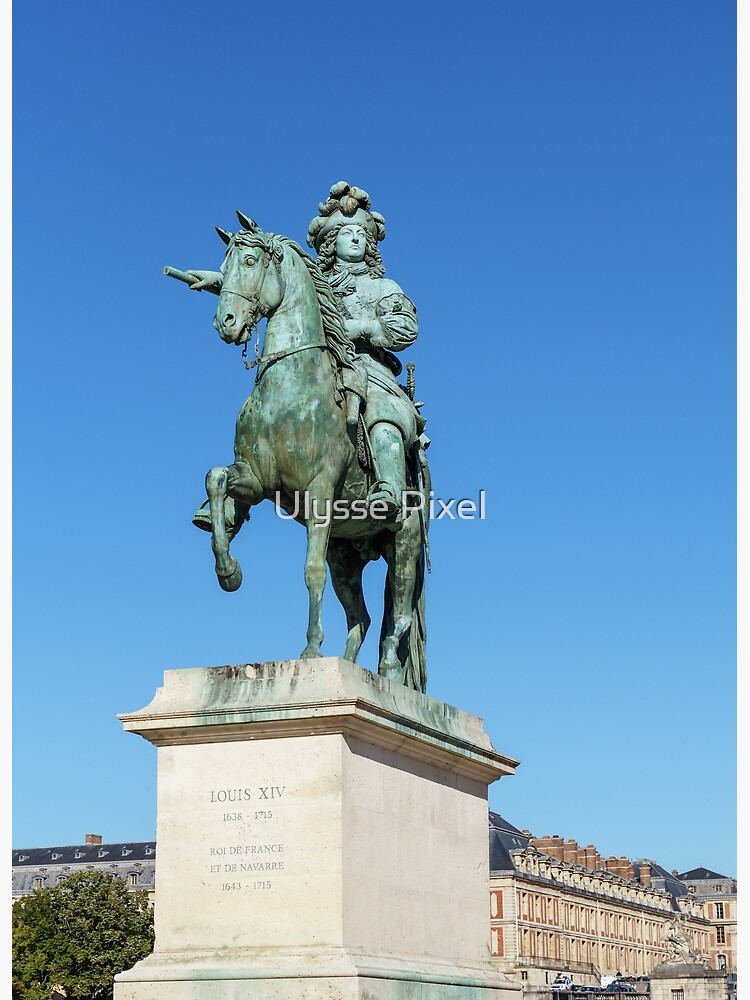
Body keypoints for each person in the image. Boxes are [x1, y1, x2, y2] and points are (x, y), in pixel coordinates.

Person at [307, 181, 425, 520]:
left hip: (370, 367)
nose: (356, 238)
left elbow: (407, 326)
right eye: (347, 233)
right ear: (331, 243)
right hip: (321, 365)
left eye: (361, 233)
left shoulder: (383, 287)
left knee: (381, 410)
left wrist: (363, 328)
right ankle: (237, 498)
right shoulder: (313, 286)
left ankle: (388, 485)